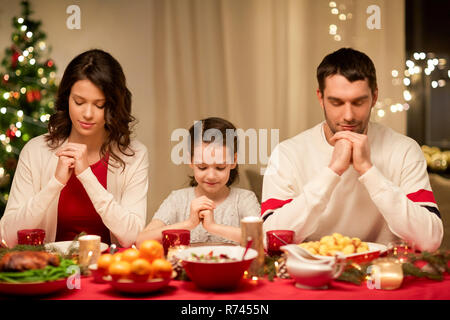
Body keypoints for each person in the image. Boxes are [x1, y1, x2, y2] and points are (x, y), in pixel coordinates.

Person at [261, 48, 443, 252]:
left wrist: (369, 171)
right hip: (314, 276)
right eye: (336, 102)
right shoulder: (287, 153)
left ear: (374, 97)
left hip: (383, 275)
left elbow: (430, 240)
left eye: (358, 102)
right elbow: (271, 239)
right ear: (320, 97)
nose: (348, 115)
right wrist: (331, 172)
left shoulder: (404, 150)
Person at [0, 49, 148, 248]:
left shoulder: (134, 155)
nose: (87, 114)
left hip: (108, 271)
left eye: (99, 105)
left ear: (114, 105)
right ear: (66, 98)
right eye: (79, 102)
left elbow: (132, 237)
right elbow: (8, 237)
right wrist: (55, 183)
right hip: (50, 272)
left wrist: (87, 176)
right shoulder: (36, 151)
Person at [136, 117, 260, 247]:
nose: (211, 176)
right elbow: (141, 241)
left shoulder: (244, 199)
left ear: (234, 161)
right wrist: (189, 224)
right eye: (202, 167)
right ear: (190, 160)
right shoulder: (178, 199)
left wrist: (213, 227)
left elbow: (261, 240)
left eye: (220, 167)